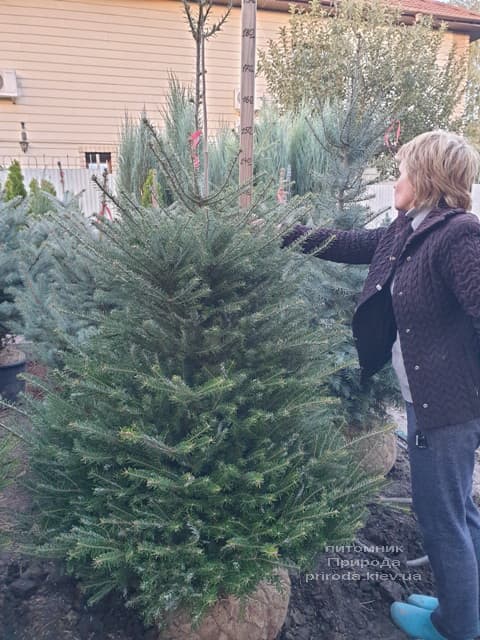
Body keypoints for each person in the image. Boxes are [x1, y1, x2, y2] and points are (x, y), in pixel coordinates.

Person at [281, 130, 480, 640]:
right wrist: (283, 231)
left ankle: (456, 625)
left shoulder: (459, 236)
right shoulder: (405, 228)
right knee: (460, 509)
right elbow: (352, 244)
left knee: (439, 517)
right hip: (428, 401)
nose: (397, 178)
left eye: (404, 169)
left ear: (429, 178)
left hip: (448, 407)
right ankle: (469, 604)